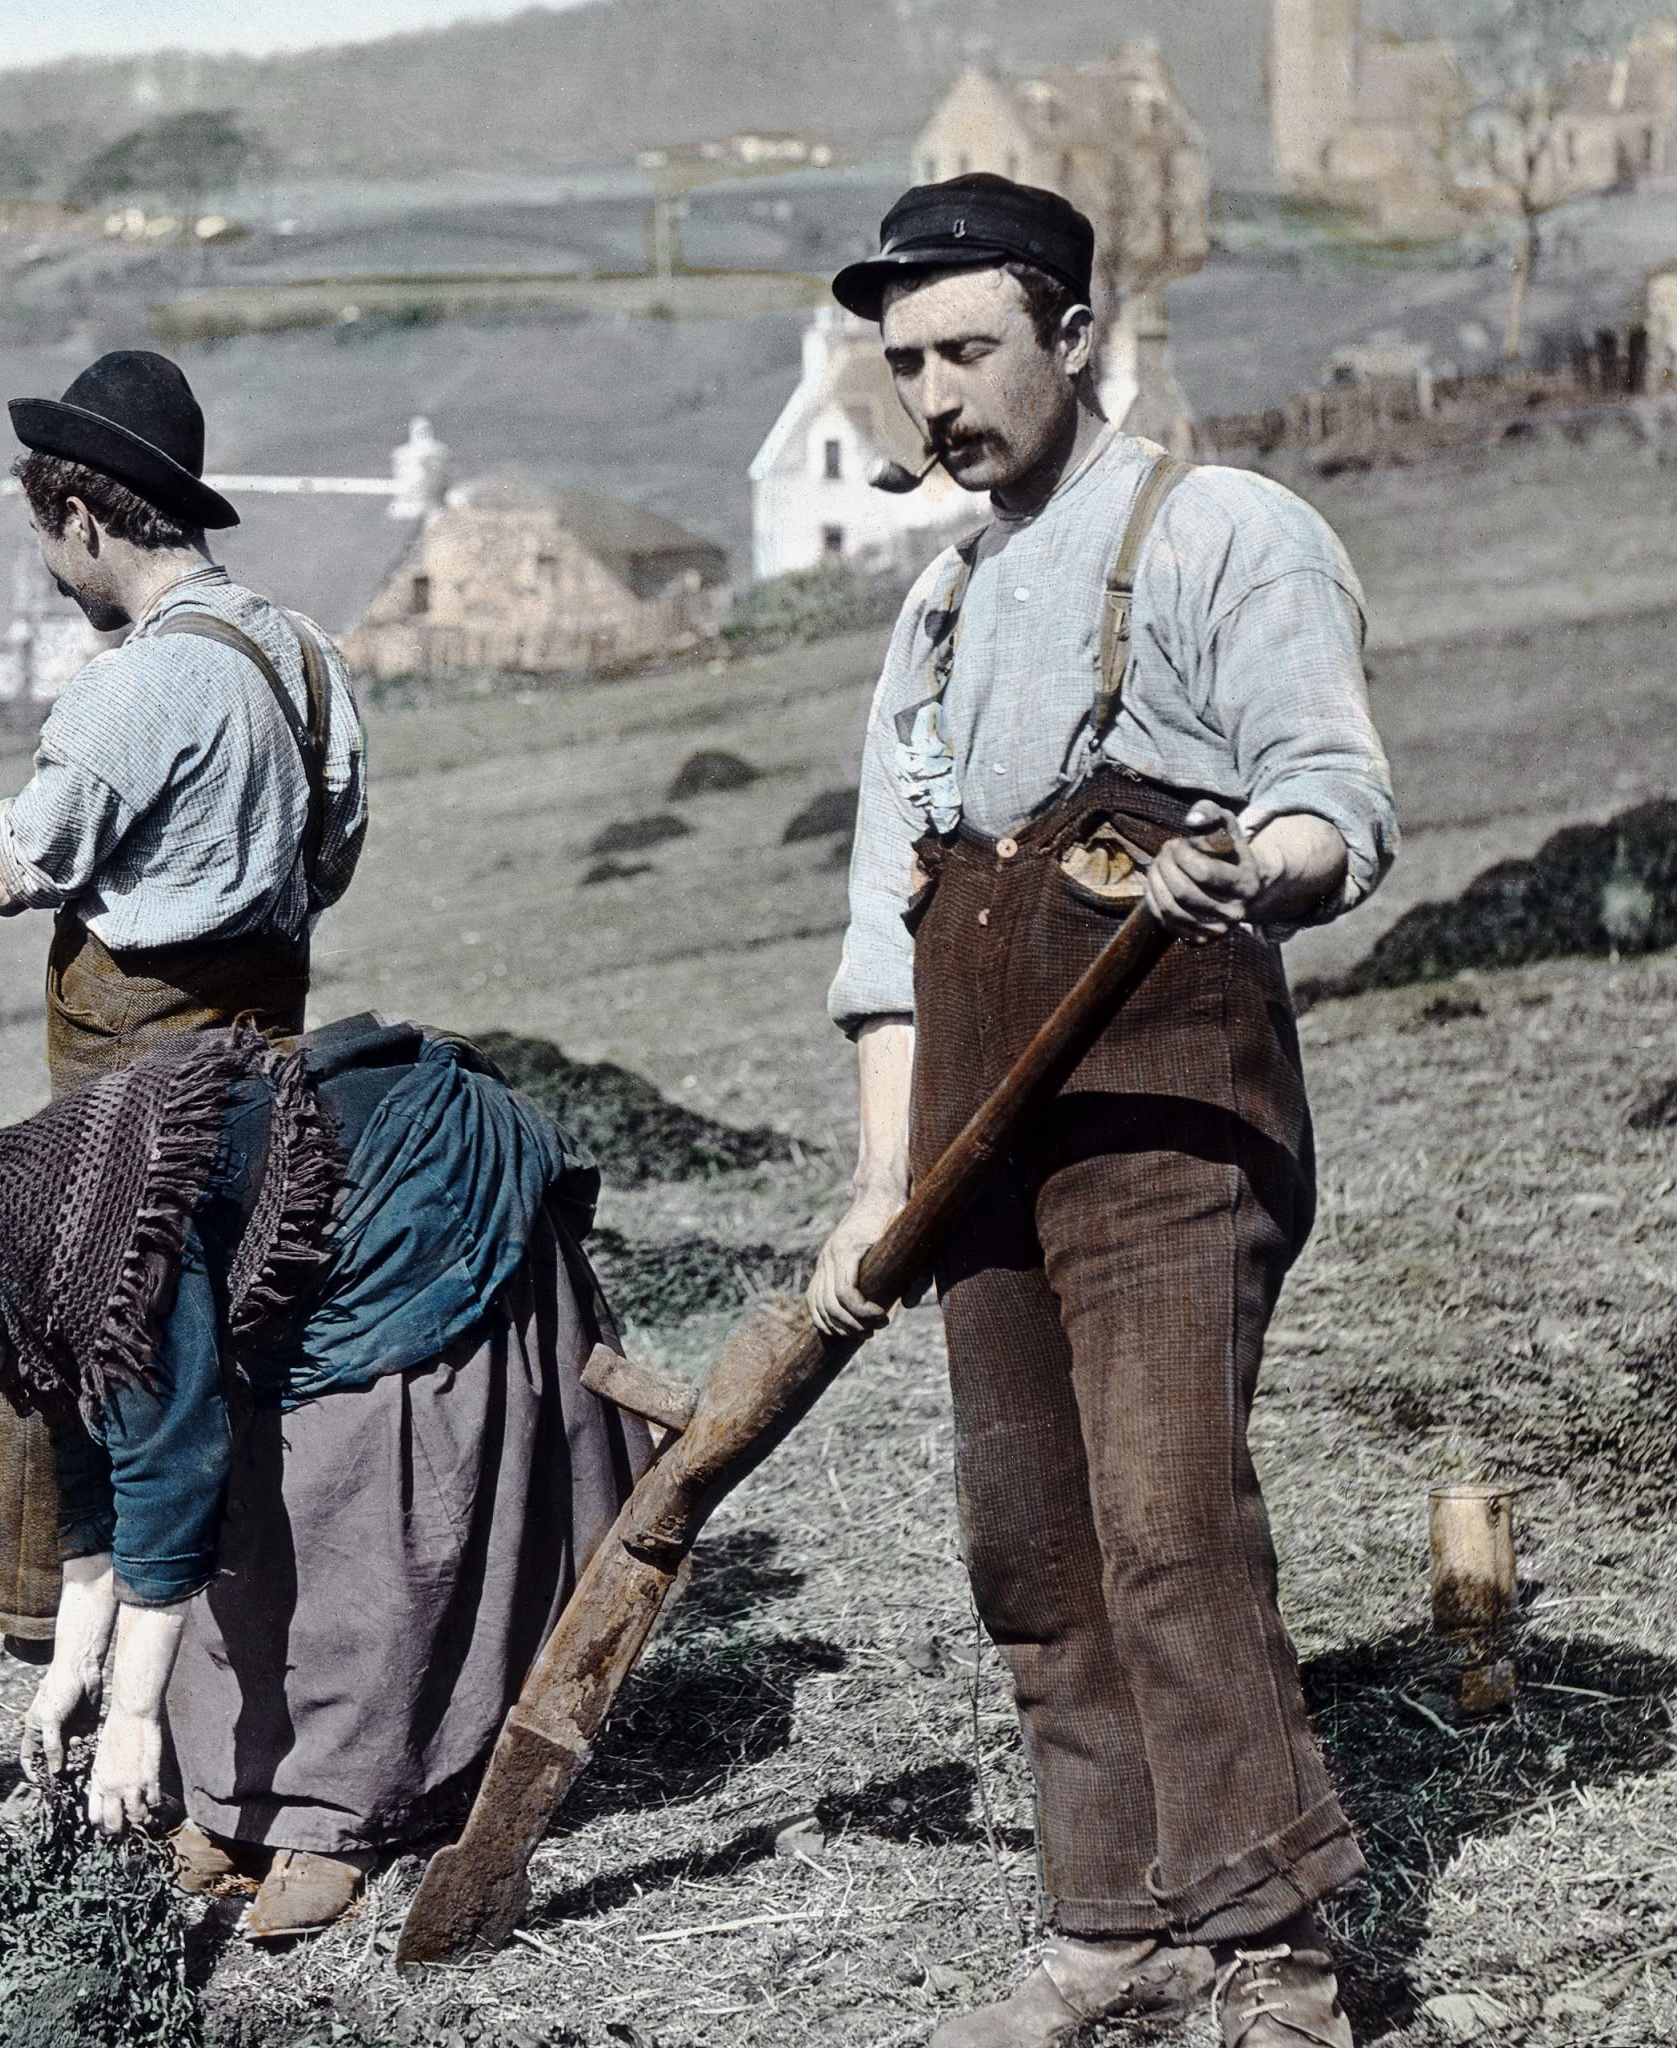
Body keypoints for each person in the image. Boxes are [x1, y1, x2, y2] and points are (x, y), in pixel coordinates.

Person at [804, 175, 1397, 2048]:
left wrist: (1271, 865)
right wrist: (880, 1177)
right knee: (1034, 1547)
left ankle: (1277, 1949)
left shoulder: (1227, 532)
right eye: (905, 366)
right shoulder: (944, 600)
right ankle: (1112, 1924)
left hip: (1162, 1110)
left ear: (1078, 337)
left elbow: (1331, 794)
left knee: (1166, 1527)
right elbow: (889, 921)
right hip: (982, 1136)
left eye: (971, 350)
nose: (937, 399)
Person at [0, 1017, 650, 1939]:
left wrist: (131, 1720)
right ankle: (246, 1806)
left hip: (412, 1193)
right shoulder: (2, 1253)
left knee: (338, 1505)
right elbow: (91, 1468)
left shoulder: (89, 1243)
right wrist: (70, 1674)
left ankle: (342, 1819)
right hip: (307, 1236)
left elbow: (166, 1469)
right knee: (233, 1521)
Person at [0, 348, 370, 1646]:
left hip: (139, 1070)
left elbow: (8, 871)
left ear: (84, 519)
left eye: (46, 540)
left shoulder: (140, 684)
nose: (52, 571)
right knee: (210, 1299)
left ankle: (21, 1589)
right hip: (260, 1052)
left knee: (32, 1284)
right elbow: (333, 854)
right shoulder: (301, 655)